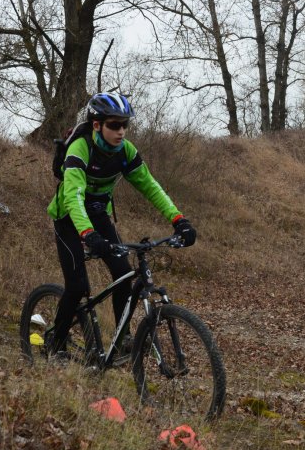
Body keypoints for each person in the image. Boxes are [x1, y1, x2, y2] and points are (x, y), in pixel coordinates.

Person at [47, 92, 196, 360]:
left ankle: (122, 339)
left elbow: (150, 187)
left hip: (98, 215)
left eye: (125, 125)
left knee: (123, 275)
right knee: (77, 285)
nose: (121, 131)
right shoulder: (80, 149)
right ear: (97, 125)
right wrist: (87, 234)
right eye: (114, 125)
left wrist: (179, 219)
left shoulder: (125, 152)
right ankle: (55, 345)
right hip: (69, 217)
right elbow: (73, 197)